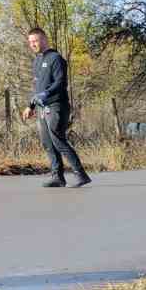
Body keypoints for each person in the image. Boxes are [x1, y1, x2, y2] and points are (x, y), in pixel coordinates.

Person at [23, 27, 90, 188]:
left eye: (36, 40)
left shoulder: (56, 58)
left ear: (44, 39)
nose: (33, 44)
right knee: (47, 142)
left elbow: (60, 82)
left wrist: (46, 93)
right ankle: (57, 177)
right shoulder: (37, 61)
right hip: (41, 108)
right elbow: (37, 87)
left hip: (56, 105)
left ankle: (81, 174)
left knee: (58, 139)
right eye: (31, 42)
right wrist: (30, 106)